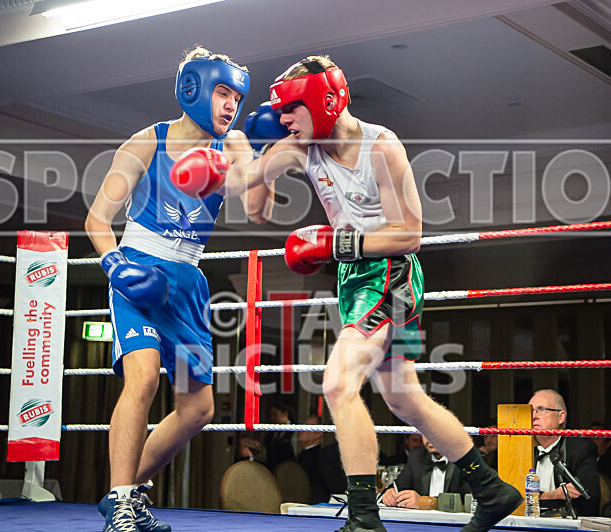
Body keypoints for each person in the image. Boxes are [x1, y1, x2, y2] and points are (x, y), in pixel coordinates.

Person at [170, 54, 522, 532]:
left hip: (393, 276)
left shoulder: (382, 147)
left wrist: (337, 242)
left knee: (337, 383)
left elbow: (410, 235)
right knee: (404, 397)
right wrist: (239, 149)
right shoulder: (299, 146)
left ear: (324, 101)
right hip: (354, 278)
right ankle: (492, 490)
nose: (285, 117)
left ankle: (363, 519)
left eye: (293, 107)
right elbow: (248, 196)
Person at [85, 45, 271, 532]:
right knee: (143, 378)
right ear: (193, 89)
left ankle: (123, 493)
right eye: (223, 93)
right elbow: (97, 220)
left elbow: (255, 209)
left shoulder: (231, 146)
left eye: (238, 97)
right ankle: (124, 504)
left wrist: (264, 156)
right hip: (139, 273)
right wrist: (114, 266)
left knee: (199, 408)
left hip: (188, 282)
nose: (232, 106)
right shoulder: (146, 142)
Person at [529, 389, 600, 516]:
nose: (534, 416)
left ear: (561, 417)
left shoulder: (580, 449)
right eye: (531, 411)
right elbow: (511, 496)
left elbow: (589, 499)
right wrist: (552, 495)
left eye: (541, 410)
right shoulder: (518, 449)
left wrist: (539, 498)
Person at [381, 436, 470, 509]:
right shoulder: (416, 456)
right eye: (425, 432)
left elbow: (469, 501)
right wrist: (389, 494)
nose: (430, 438)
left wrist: (424, 502)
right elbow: (397, 487)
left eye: (434, 433)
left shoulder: (466, 458)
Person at [297, 415, 346, 504]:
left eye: (308, 426)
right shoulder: (303, 455)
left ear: (318, 433)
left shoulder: (324, 455)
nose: (302, 429)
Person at [265, 403, 296, 471]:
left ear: (285, 414)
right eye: (271, 415)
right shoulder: (270, 432)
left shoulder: (295, 431)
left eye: (275, 415)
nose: (272, 418)